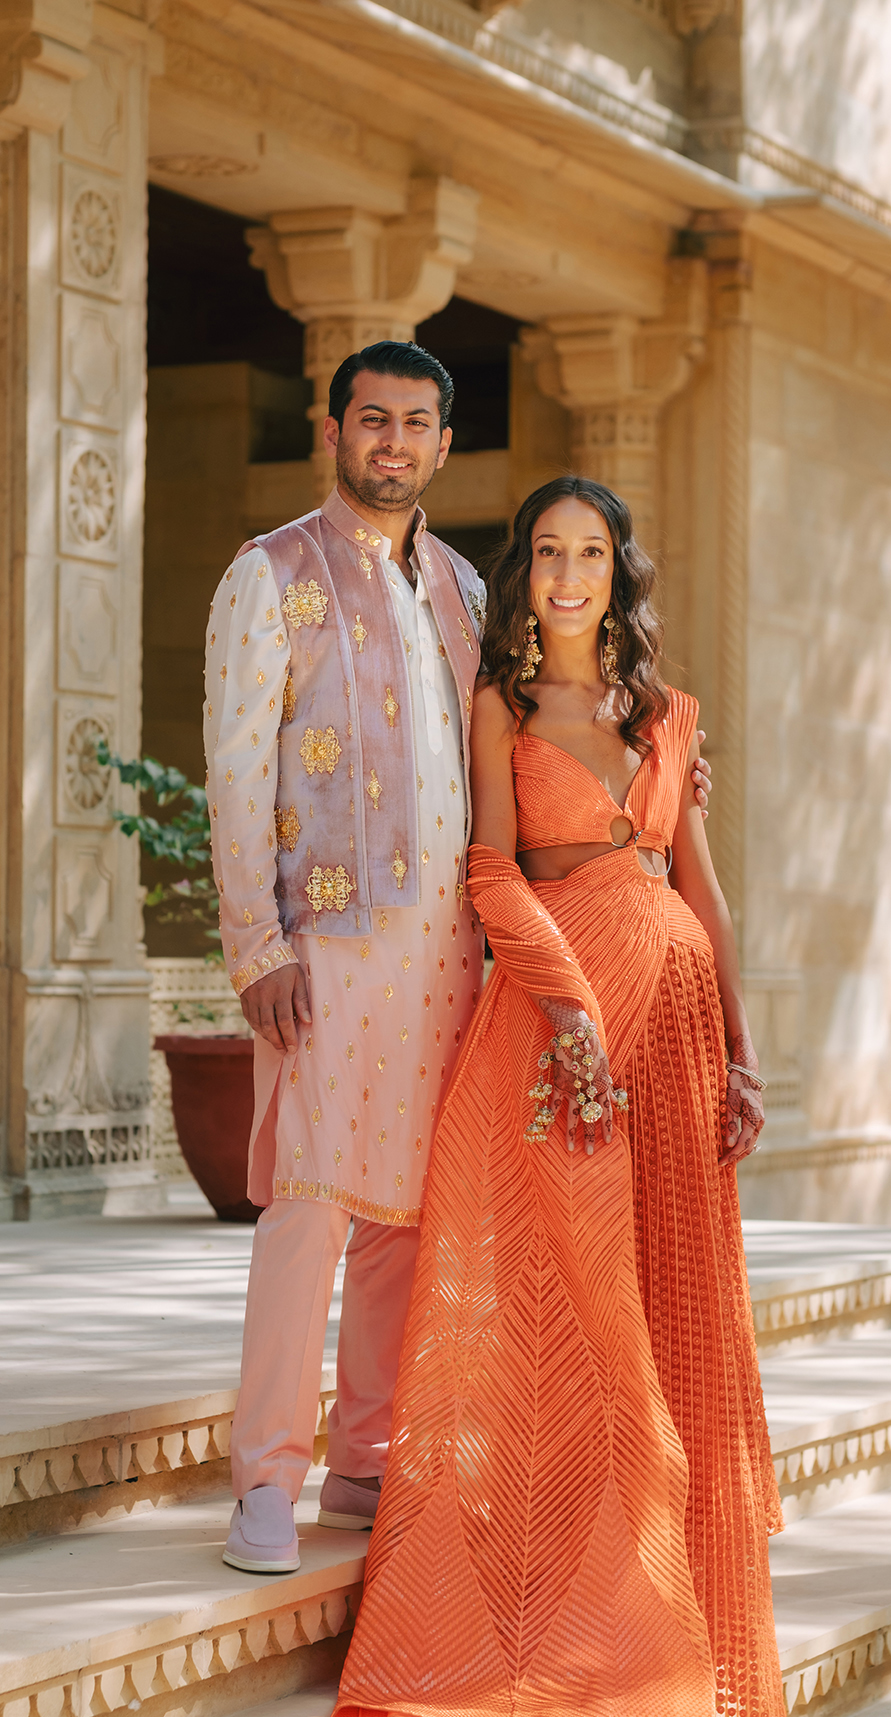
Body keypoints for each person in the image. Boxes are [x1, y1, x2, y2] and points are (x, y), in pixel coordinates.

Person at [206, 350, 714, 1581]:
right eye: (370, 419)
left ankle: (364, 1461)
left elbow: (548, 732)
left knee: (406, 1220)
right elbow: (234, 766)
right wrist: (255, 943)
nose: (391, 441)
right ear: (333, 430)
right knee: (313, 1204)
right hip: (326, 944)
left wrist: (659, 784)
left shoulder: (454, 590)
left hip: (451, 957)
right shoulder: (269, 573)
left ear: (442, 445)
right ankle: (264, 1480)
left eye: (415, 424)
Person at [331, 476, 789, 1717]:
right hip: (552, 1034)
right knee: (569, 1317)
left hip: (681, 1033)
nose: (569, 574)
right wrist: (572, 1008)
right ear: (523, 570)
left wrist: (745, 1054)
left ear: (616, 571)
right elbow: (492, 870)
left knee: (670, 1311)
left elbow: (698, 884)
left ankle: (664, 1636)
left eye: (591, 553)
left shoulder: (664, 716)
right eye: (548, 552)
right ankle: (559, 1624)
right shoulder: (503, 707)